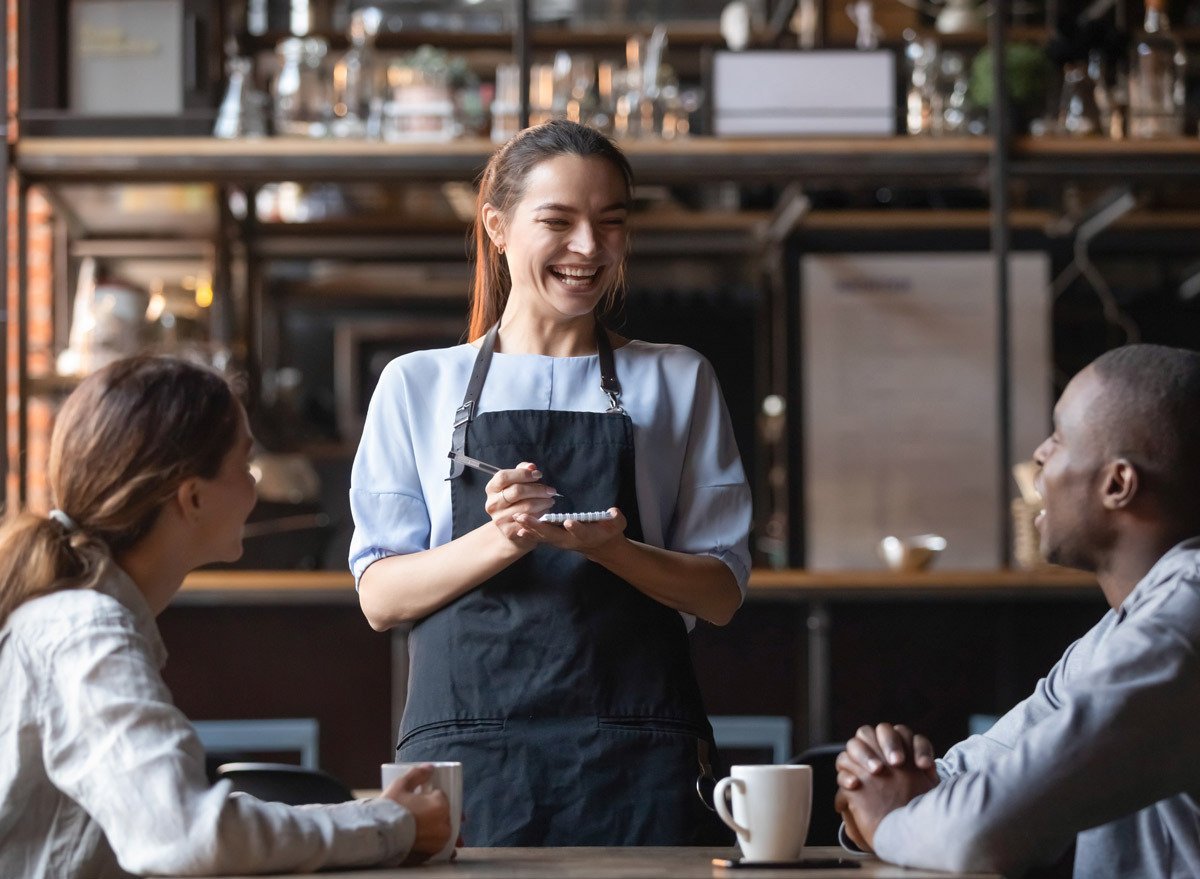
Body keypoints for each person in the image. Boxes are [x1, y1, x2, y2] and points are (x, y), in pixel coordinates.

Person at [349, 119, 752, 846]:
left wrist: (612, 549)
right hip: (468, 755)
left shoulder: (678, 377)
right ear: (498, 227)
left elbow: (721, 592)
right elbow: (381, 597)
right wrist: (504, 537)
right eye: (559, 222)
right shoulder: (417, 383)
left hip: (641, 752)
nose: (589, 249)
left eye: (611, 223)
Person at [0, 356, 452, 878]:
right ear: (191, 498)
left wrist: (378, 817)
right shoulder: (87, 633)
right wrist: (389, 828)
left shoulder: (74, 619)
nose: (256, 486)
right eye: (245, 463)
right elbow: (187, 835)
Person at [832, 343, 1200, 878]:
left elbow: (981, 831)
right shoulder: (1112, 640)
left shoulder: (1185, 623)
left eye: (1058, 437)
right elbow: (977, 776)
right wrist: (878, 785)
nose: (1040, 458)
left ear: (1117, 484)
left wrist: (890, 821)